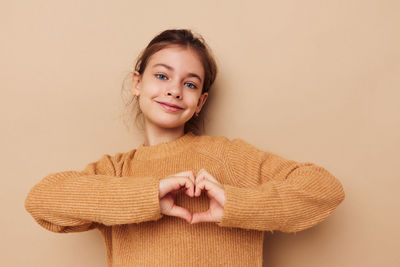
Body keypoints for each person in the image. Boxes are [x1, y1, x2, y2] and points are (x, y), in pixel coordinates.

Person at [25, 29, 345, 267]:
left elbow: (324, 188)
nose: (174, 90)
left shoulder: (227, 156)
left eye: (190, 83)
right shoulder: (117, 171)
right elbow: (41, 200)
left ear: (200, 102)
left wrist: (236, 202)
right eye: (162, 75)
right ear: (138, 84)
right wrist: (148, 196)